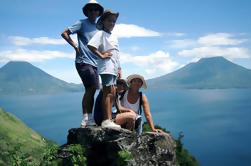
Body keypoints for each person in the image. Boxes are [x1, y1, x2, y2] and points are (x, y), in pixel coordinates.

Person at [61, 0, 104, 127]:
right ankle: (86, 118)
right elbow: (64, 33)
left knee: (91, 89)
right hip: (83, 61)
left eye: (95, 9)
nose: (93, 11)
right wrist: (75, 47)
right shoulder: (81, 23)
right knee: (91, 88)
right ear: (87, 12)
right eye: (90, 9)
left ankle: (88, 118)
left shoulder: (99, 27)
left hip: (95, 63)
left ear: (98, 12)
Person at [87, 10, 121, 128]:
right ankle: (106, 120)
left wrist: (119, 68)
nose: (112, 23)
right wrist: (101, 55)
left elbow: (116, 53)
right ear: (103, 21)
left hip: (113, 67)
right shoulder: (101, 33)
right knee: (107, 92)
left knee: (112, 92)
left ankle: (109, 119)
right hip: (106, 66)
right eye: (109, 20)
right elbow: (91, 45)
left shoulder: (113, 36)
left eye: (114, 21)